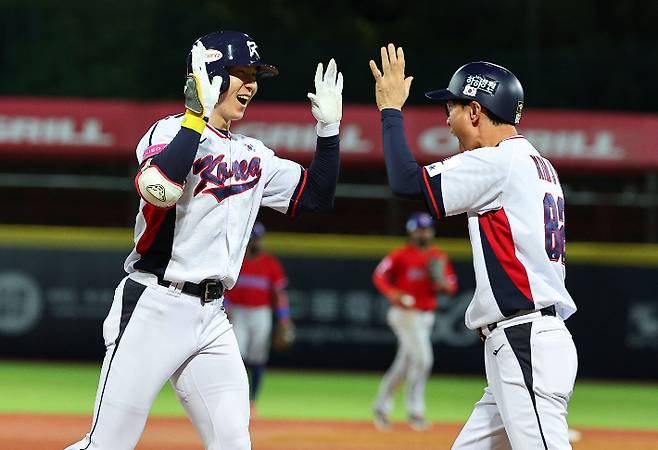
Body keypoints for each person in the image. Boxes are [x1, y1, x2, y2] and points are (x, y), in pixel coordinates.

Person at [65, 30, 342, 450]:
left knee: (233, 442)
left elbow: (317, 197)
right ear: (210, 73)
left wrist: (328, 130)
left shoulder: (255, 153)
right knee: (107, 444)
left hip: (212, 316)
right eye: (241, 73)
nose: (251, 85)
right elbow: (159, 186)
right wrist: (196, 115)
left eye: (255, 76)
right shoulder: (169, 131)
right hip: (155, 305)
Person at [369, 44, 578, 449]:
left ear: (476, 111)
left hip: (525, 339)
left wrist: (391, 111)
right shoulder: (538, 163)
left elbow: (406, 182)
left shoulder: (499, 161)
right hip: (523, 342)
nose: (447, 120)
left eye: (451, 107)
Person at [372, 211, 458, 431]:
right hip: (404, 314)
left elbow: (450, 287)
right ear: (411, 231)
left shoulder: (437, 257)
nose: (424, 233)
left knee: (404, 365)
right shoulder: (400, 255)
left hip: (425, 317)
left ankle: (381, 407)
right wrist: (393, 293)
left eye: (427, 229)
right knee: (423, 360)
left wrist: (439, 282)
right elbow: (379, 275)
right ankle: (415, 411)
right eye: (420, 229)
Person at [225, 221, 294, 414]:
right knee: (237, 356)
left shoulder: (270, 263)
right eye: (253, 238)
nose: (256, 242)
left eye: (258, 239)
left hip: (261, 313)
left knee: (258, 357)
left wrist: (284, 319)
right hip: (238, 312)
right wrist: (226, 308)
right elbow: (223, 292)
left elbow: (279, 294)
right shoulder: (235, 261)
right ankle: (236, 397)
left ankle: (252, 400)